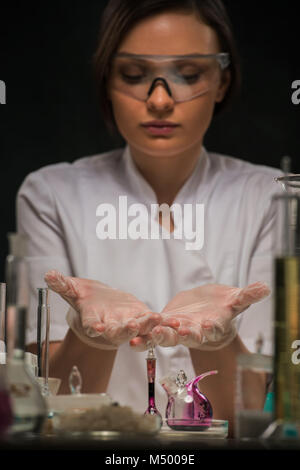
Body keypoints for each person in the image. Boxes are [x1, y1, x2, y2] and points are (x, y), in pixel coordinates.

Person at [17, 0, 281, 433]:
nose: (159, 100)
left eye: (188, 75)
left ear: (222, 80)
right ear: (107, 81)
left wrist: (220, 339)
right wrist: (89, 336)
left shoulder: (270, 197)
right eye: (134, 75)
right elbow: (43, 410)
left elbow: (251, 419)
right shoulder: (51, 195)